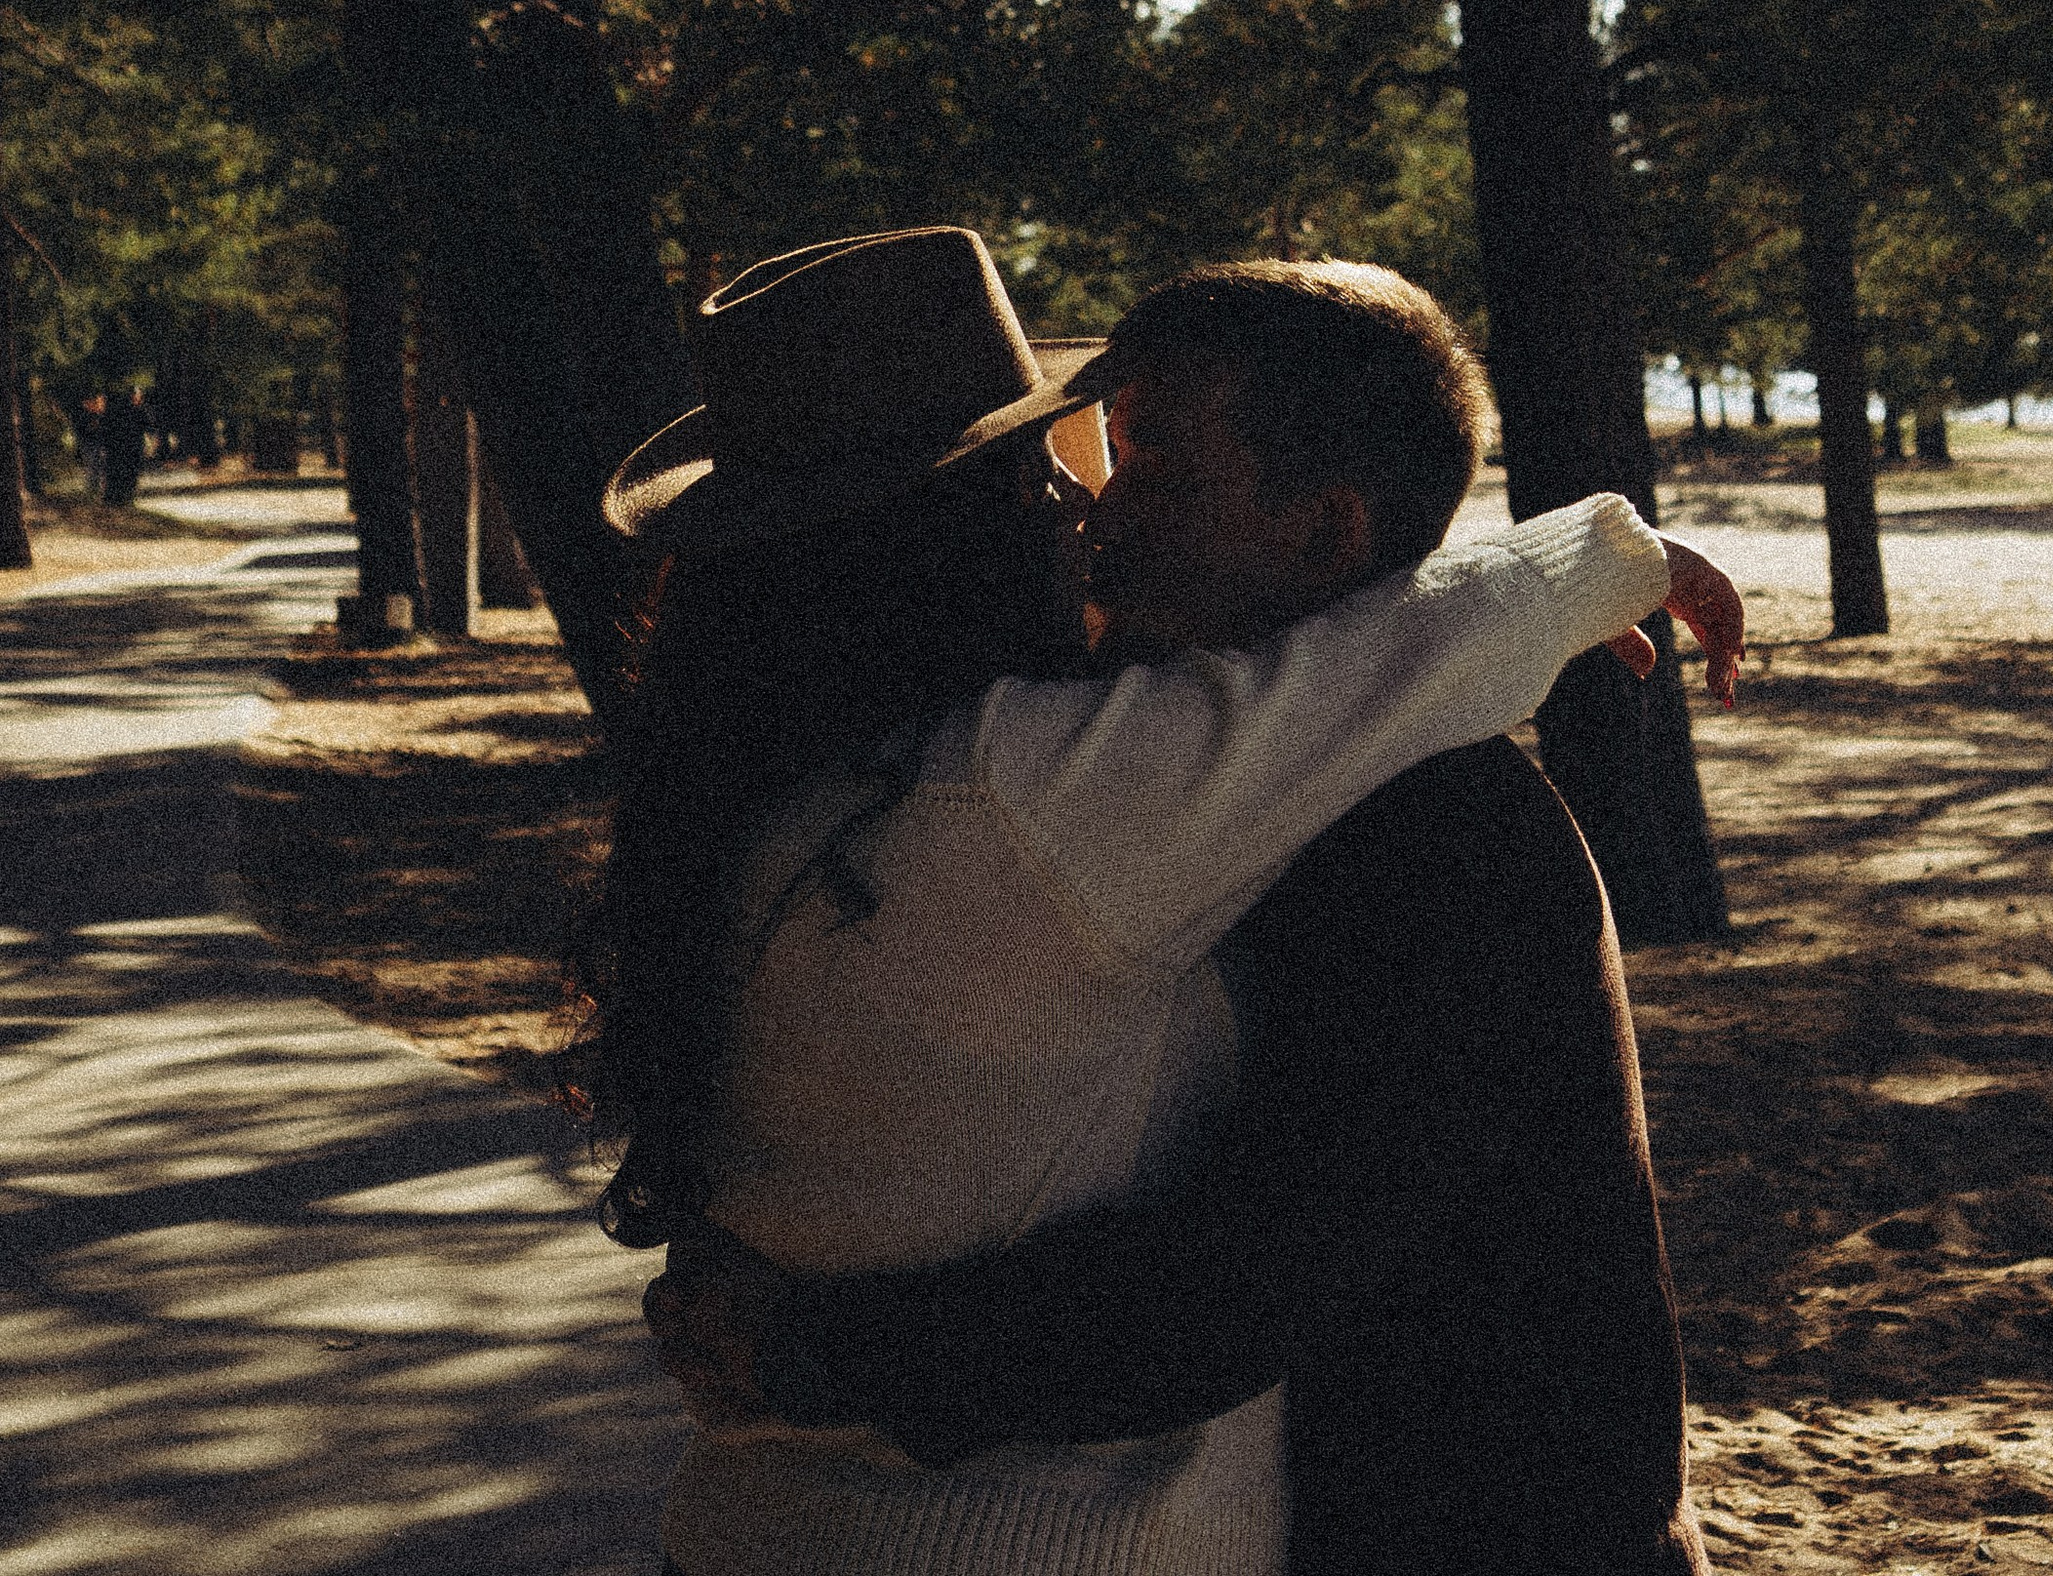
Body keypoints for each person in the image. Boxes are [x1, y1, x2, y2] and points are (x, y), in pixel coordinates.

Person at [569, 228, 1735, 1576]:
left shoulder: (1426, 826)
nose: (1089, 512)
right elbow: (1214, 1299)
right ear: (942, 545)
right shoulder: (1036, 791)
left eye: (1147, 464)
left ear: (1327, 529)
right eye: (1054, 475)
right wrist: (1607, 559)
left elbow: (1240, 1286)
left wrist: (801, 1350)